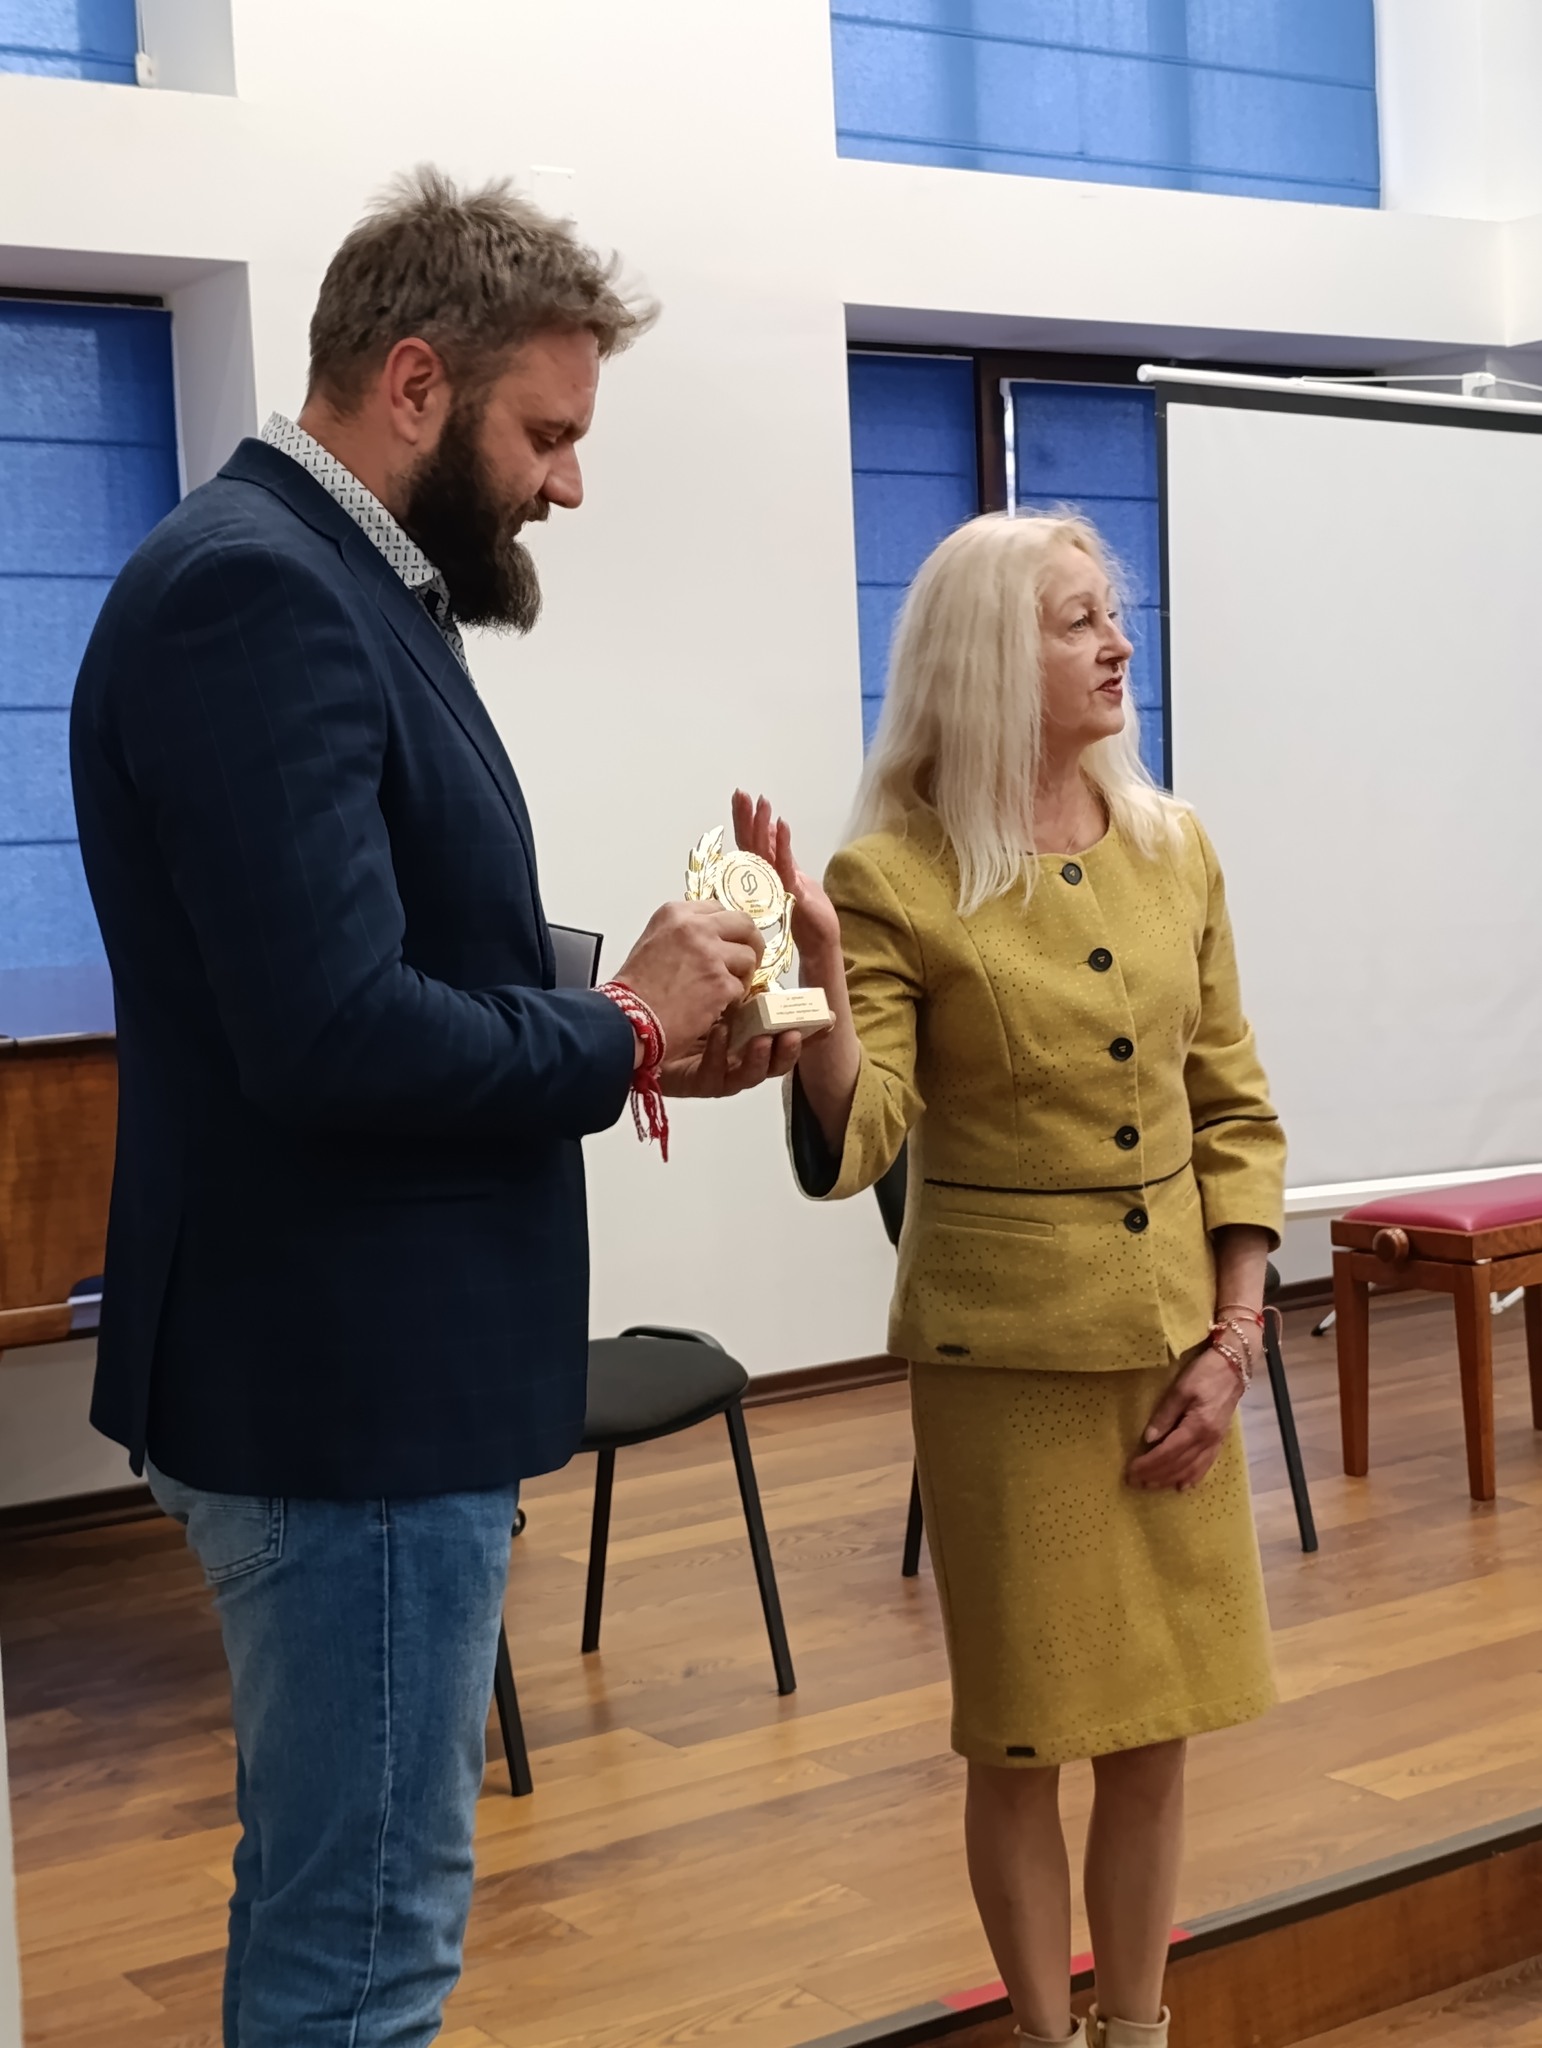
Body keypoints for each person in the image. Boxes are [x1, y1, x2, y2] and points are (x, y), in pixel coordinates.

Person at [69, 168, 799, 2048]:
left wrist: (647, 1022)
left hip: (352, 1376)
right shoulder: (254, 592)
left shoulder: (338, 584)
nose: (570, 483)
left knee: (339, 1911)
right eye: (545, 435)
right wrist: (621, 1026)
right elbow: (333, 1033)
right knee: (366, 1954)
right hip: (345, 1393)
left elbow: (395, 947)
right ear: (414, 383)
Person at [735, 511, 1284, 2048]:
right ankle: (1047, 2036)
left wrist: (1234, 1340)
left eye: (1112, 614)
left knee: (1158, 1731)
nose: (1118, 644)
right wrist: (816, 980)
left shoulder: (1174, 847)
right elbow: (860, 1140)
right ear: (986, 655)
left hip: (1177, 1351)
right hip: (1009, 1373)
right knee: (1027, 1736)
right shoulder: (895, 875)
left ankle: (1137, 2029)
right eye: (1076, 620)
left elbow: (1233, 1111)